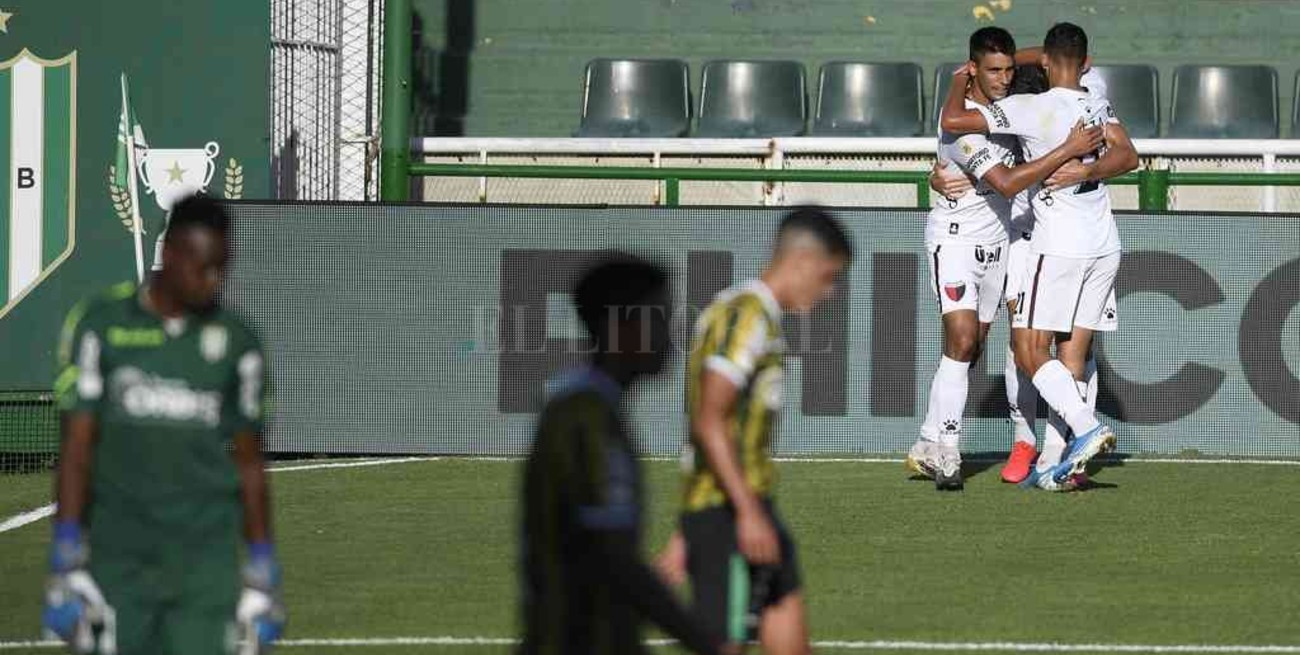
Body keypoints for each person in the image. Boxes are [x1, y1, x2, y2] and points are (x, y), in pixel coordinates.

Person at [44, 194, 284, 655]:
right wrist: (66, 551)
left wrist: (261, 567)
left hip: (204, 567)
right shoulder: (101, 327)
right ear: (170, 253)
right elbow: (76, 449)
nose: (213, 281)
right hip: (118, 560)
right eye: (203, 266)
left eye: (222, 267)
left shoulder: (238, 342)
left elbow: (251, 464)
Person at [939, 22, 1140, 490]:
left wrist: (959, 76)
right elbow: (1128, 156)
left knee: (1029, 351)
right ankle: (1056, 462)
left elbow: (953, 122)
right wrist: (1083, 167)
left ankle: (1084, 428)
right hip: (1104, 243)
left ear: (1043, 62)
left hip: (1058, 244)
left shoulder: (1029, 108)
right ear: (1084, 61)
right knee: (1073, 356)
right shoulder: (1095, 98)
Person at [665, 207, 851, 654]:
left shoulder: (760, 317)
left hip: (748, 507)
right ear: (802, 262)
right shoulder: (744, 316)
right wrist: (738, 514)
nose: (828, 294)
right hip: (730, 514)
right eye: (828, 278)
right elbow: (709, 418)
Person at [519, 255, 726, 655]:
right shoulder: (587, 418)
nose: (671, 336)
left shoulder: (595, 408)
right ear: (622, 328)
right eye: (661, 318)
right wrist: (704, 643)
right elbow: (612, 561)